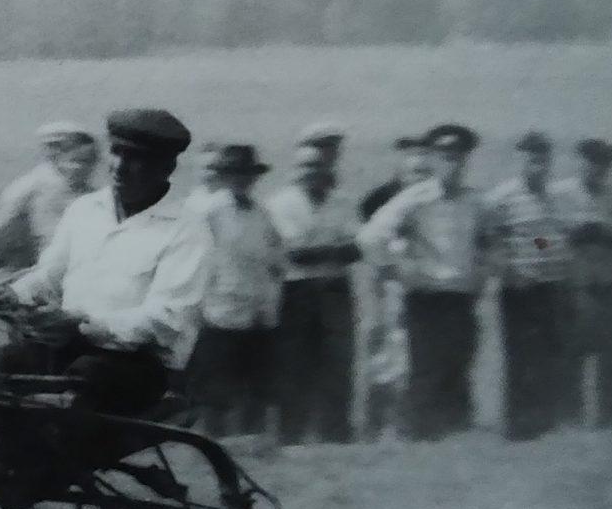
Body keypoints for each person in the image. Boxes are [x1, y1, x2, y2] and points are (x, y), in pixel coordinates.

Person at [0, 109, 213, 420]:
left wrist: (80, 323)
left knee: (81, 378)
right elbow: (47, 277)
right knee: (2, 363)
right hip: (68, 348)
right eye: (116, 152)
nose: (120, 166)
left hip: (137, 366)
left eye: (136, 158)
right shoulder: (84, 209)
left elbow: (167, 320)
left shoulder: (186, 230)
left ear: (166, 167)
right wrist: (9, 293)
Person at [358, 124, 486, 441]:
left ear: (466, 160)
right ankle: (419, 440)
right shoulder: (415, 199)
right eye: (445, 156)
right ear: (433, 158)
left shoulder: (476, 202)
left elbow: (504, 238)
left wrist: (489, 267)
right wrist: (398, 269)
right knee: (425, 371)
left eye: (459, 157)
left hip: (462, 297)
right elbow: (370, 238)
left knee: (458, 367)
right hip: (426, 298)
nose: (452, 163)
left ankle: (456, 437)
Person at [263, 127, 359, 443]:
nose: (313, 173)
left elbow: (356, 248)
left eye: (320, 166)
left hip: (336, 290)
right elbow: (294, 255)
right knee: (295, 363)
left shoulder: (342, 201)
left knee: (337, 362)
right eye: (306, 166)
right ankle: (291, 433)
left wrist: (324, 252)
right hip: (297, 292)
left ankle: (335, 433)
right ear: (295, 169)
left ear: (330, 167)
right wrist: (333, 250)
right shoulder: (280, 203)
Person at [481, 131, 573, 441]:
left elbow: (540, 238)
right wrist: (507, 270)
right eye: (531, 158)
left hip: (550, 286)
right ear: (518, 159)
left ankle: (545, 422)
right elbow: (489, 241)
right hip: (518, 289)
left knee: (548, 354)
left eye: (543, 159)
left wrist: (547, 253)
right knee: (520, 356)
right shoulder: (501, 198)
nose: (538, 165)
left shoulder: (552, 197)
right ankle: (517, 426)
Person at [186, 144, 281, 438]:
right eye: (235, 174)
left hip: (257, 308)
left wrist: (268, 300)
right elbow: (194, 262)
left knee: (255, 384)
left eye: (247, 174)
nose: (242, 180)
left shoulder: (262, 213)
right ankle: (214, 444)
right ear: (225, 177)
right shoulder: (208, 212)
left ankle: (252, 442)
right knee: (217, 387)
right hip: (219, 309)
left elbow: (274, 258)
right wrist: (198, 307)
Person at [555, 140, 612, 427]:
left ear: (609, 167)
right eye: (587, 161)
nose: (592, 169)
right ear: (577, 161)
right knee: (570, 355)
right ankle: (570, 418)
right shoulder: (557, 195)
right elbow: (536, 241)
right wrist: (566, 237)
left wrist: (604, 230)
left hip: (610, 287)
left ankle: (611, 418)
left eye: (601, 163)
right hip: (573, 287)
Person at [0, 121, 101, 269]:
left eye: (58, 145)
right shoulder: (28, 186)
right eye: (50, 145)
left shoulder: (90, 193)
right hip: (39, 266)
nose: (53, 151)